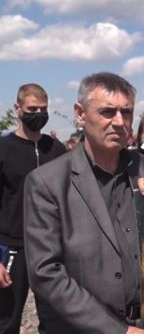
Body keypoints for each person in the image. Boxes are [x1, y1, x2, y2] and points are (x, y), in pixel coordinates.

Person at [23, 72, 144, 334]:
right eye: (107, 112)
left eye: (126, 112)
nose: (119, 122)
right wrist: (116, 330)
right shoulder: (47, 182)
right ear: (80, 113)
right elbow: (46, 273)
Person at [0, 84, 66, 334]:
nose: (38, 114)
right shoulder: (3, 149)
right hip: (12, 246)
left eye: (43, 109)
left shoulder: (56, 149)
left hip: (50, 246)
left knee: (56, 318)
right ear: (18, 109)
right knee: (6, 319)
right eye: (32, 109)